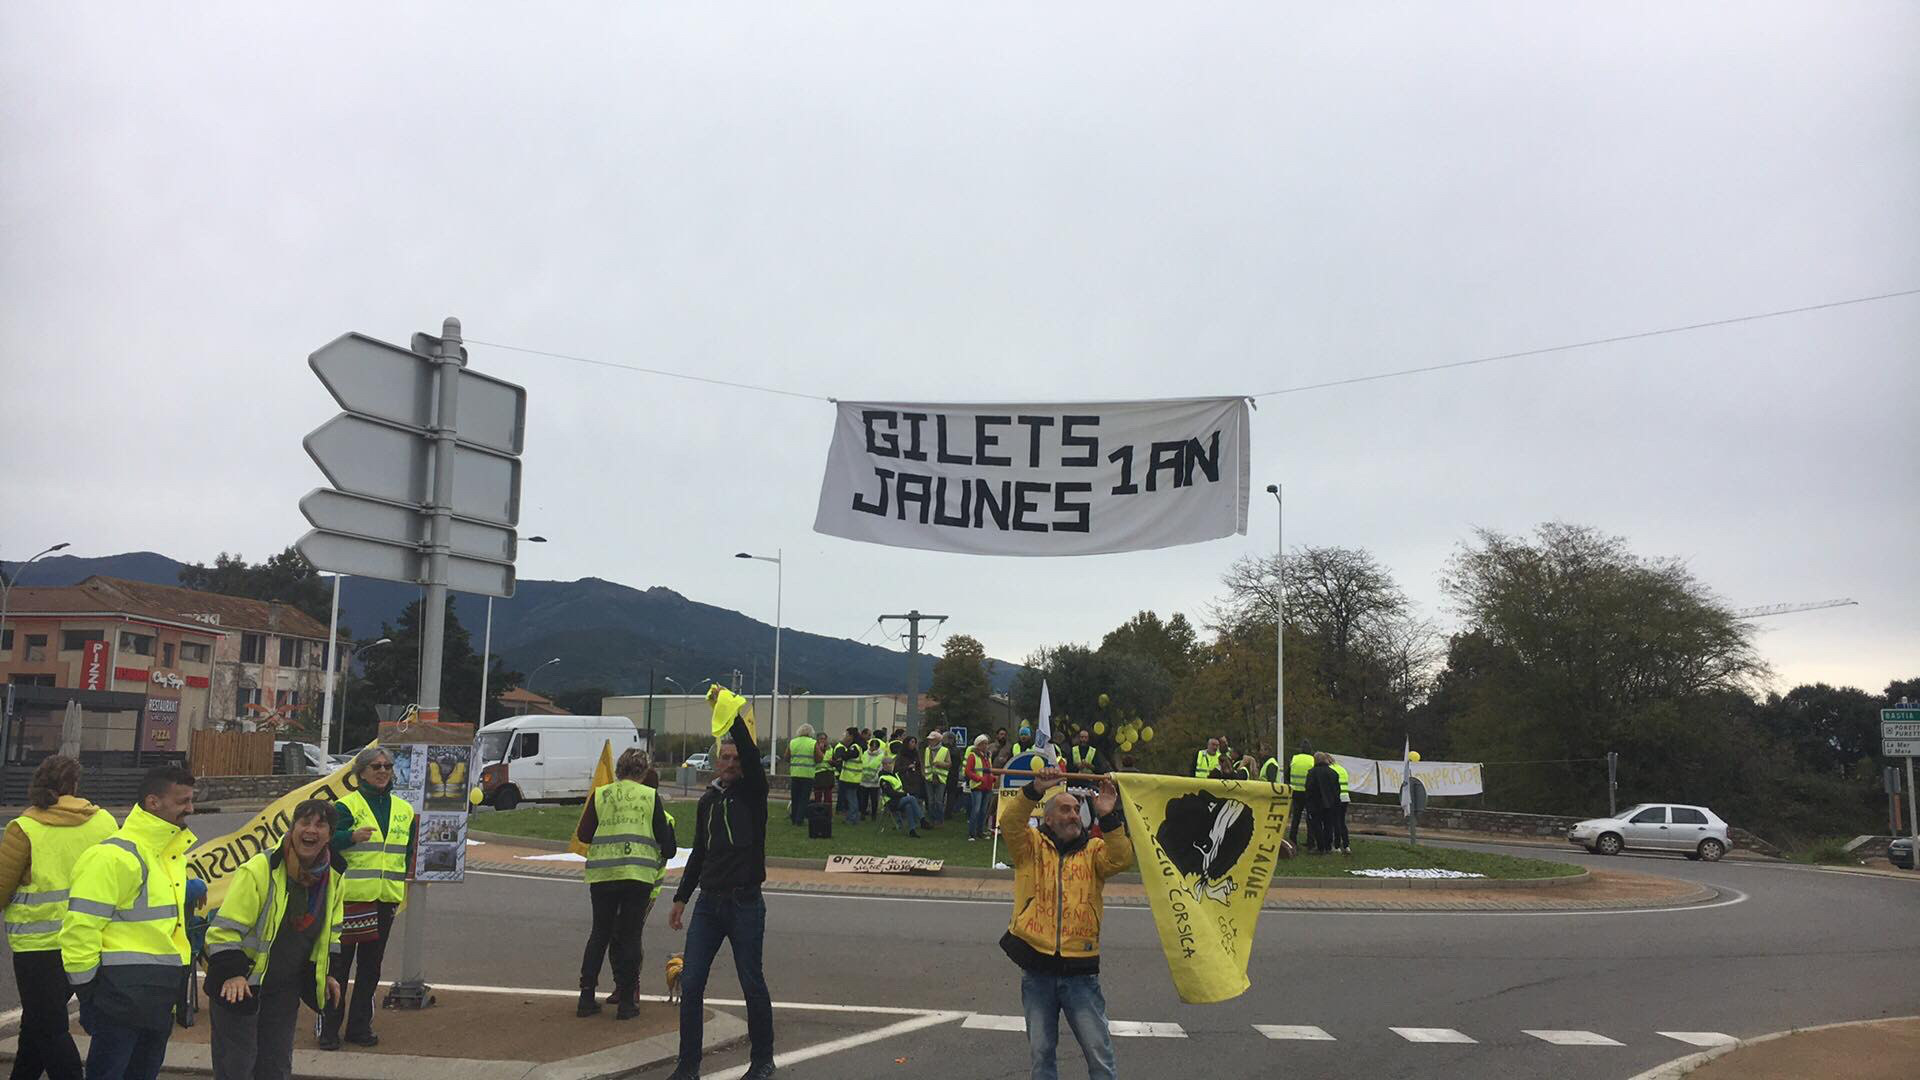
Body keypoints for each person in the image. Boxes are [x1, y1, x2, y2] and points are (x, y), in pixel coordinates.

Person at [60, 764, 196, 1080]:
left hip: (157, 995)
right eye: (183, 801)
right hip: (118, 999)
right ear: (153, 802)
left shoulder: (167, 855)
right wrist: (89, 994)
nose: (190, 808)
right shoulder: (113, 856)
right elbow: (80, 930)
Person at [998, 764, 1132, 1080]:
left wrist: (1108, 815)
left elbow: (1121, 859)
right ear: (1049, 818)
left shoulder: (1094, 850)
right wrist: (1034, 790)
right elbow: (1010, 822)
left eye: (1076, 810)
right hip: (1037, 971)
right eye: (1065, 809)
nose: (1073, 815)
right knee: (1041, 1056)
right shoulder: (1029, 846)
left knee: (1099, 1055)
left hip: (1081, 972)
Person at [666, 712, 775, 1080]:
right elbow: (699, 851)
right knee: (691, 982)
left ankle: (762, 1060)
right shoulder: (708, 801)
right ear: (716, 762)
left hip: (745, 903)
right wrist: (681, 897)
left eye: (736, 759)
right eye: (724, 758)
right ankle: (687, 1066)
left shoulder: (754, 794)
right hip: (708, 905)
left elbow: (751, 754)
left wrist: (732, 716)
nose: (730, 763)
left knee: (751, 982)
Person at [205, 799, 344, 1080]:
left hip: (284, 989)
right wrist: (233, 974)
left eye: (320, 825)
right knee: (237, 1068)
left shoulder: (335, 876)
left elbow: (332, 933)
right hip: (241, 986)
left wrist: (328, 973)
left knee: (276, 1066)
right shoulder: (260, 869)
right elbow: (222, 931)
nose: (311, 830)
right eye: (304, 822)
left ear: (330, 835)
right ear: (292, 828)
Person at [3, 754, 116, 1080]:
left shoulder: (24, 828)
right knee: (37, 1022)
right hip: (88, 939)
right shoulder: (105, 822)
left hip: (37, 946)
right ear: (76, 784)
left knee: (49, 1028)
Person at [320, 746, 415, 1050]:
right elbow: (323, 841)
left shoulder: (404, 809)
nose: (383, 771)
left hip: (385, 899)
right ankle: (328, 1030)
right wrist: (349, 837)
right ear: (360, 772)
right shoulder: (346, 806)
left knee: (371, 968)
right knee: (339, 967)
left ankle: (359, 1028)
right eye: (376, 766)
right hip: (351, 899)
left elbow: (406, 851)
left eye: (387, 766)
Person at [575, 748, 677, 1019]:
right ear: (645, 772)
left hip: (603, 874)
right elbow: (668, 847)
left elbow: (584, 834)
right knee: (631, 936)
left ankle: (586, 997)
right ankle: (627, 1002)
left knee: (600, 934)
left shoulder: (601, 794)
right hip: (637, 875)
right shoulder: (649, 796)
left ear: (619, 770)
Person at [1304, 753, 1342, 855]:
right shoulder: (1333, 773)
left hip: (1315, 804)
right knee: (1328, 826)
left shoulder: (1312, 773)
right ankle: (1328, 846)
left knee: (1317, 826)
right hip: (1330, 804)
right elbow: (1337, 791)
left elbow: (1309, 788)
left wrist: (1308, 802)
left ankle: (1320, 847)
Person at [878, 759, 925, 836]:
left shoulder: (894, 774)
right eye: (888, 764)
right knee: (911, 798)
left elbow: (900, 787)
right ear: (884, 765)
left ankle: (912, 830)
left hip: (898, 800)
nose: (890, 765)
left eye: (891, 763)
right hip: (890, 802)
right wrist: (904, 794)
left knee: (908, 806)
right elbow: (890, 793)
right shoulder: (883, 778)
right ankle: (922, 819)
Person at [784, 723, 818, 826]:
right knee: (804, 799)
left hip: (795, 774)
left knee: (795, 798)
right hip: (808, 775)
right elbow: (819, 758)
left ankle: (794, 818)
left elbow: (786, 757)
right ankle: (799, 820)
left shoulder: (793, 742)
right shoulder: (813, 743)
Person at [964, 735, 996, 841]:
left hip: (987, 786)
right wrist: (979, 779)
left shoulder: (988, 756)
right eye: (983, 744)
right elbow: (968, 771)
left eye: (986, 744)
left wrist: (992, 778)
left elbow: (989, 770)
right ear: (977, 745)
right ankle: (972, 833)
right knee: (976, 810)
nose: (985, 746)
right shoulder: (972, 756)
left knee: (983, 811)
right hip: (977, 786)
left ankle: (980, 831)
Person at [1285, 743, 1315, 848]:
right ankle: (1310, 842)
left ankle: (1292, 840)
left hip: (1296, 792)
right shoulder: (1312, 760)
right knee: (1310, 818)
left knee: (1296, 818)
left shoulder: (1295, 759)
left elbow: (1287, 775)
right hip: (1308, 792)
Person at [921, 730, 952, 827]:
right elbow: (924, 762)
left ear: (938, 740)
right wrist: (924, 774)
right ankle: (932, 820)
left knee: (939, 801)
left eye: (932, 739)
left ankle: (940, 820)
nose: (930, 741)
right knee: (930, 801)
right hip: (929, 778)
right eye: (929, 740)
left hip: (940, 778)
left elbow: (949, 764)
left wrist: (940, 764)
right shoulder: (927, 750)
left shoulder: (945, 750)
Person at [834, 729, 864, 825]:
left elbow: (849, 755)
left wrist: (842, 756)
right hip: (853, 777)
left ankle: (852, 818)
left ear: (851, 736)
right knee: (852, 798)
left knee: (851, 799)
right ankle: (851, 817)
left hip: (851, 777)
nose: (845, 736)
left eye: (847, 734)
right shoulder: (858, 746)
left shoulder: (854, 747)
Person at [1329, 755, 1352, 855]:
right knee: (1342, 822)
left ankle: (1337, 845)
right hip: (1345, 797)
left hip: (1337, 798)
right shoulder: (1342, 769)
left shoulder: (1330, 769)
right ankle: (1346, 845)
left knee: (1335, 822)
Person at [859, 736, 884, 821]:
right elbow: (861, 765)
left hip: (874, 783)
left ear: (877, 747)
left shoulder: (881, 756)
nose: (872, 748)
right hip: (864, 781)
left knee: (874, 800)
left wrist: (875, 779)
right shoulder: (865, 753)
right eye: (871, 746)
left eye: (874, 747)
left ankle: (874, 815)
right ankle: (862, 814)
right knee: (864, 799)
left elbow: (880, 769)